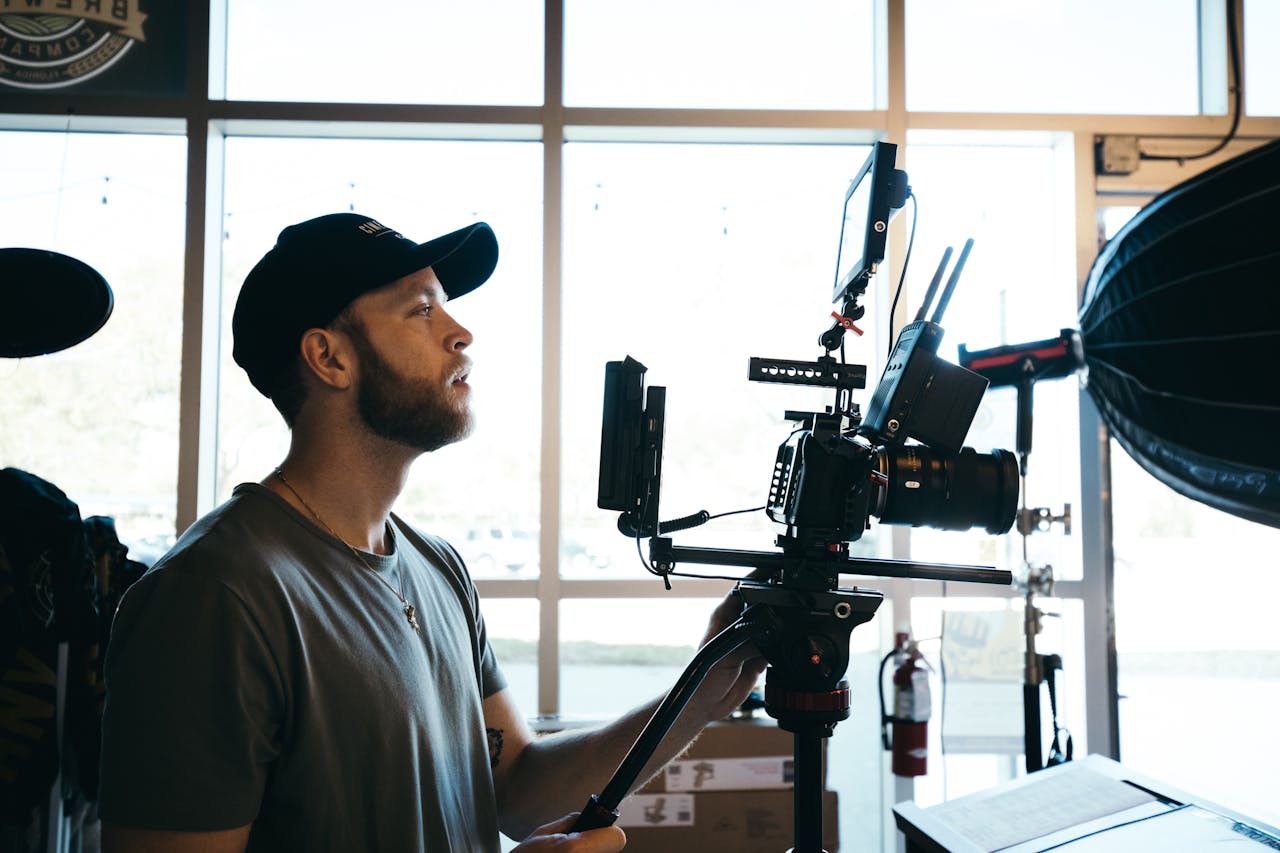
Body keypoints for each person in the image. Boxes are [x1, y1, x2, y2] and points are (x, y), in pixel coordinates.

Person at [98, 213, 766, 852]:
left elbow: (516, 789)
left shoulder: (437, 567)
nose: (461, 331)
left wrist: (704, 690)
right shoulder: (210, 596)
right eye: (421, 309)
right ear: (328, 357)